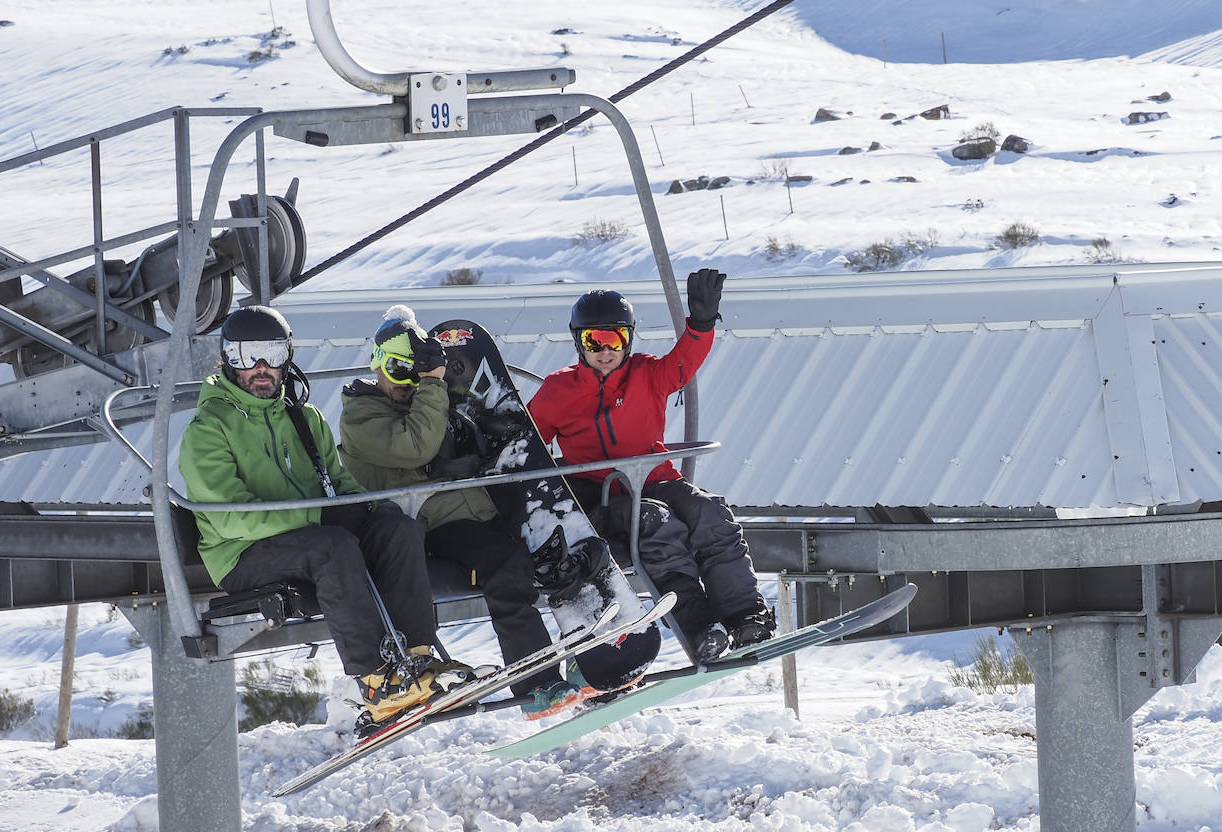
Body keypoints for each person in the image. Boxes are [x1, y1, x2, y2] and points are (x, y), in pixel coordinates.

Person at [178, 305, 479, 729]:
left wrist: (372, 509)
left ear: (288, 357)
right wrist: (316, 516)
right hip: (240, 554)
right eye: (248, 357)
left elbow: (338, 482)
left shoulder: (304, 419)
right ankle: (373, 679)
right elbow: (229, 518)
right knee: (331, 546)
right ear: (227, 360)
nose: (262, 368)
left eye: (273, 355)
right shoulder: (209, 428)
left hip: (304, 536)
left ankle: (417, 659)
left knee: (398, 529)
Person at [337, 306, 586, 720]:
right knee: (505, 566)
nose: (407, 383)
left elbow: (448, 440)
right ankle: (536, 682)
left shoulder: (423, 400)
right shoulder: (361, 415)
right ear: (378, 366)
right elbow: (414, 446)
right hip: (427, 525)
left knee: (552, 545)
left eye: (415, 372)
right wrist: (434, 385)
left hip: (469, 508)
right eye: (399, 372)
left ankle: (585, 656)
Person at [527, 270, 776, 662]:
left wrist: (701, 323)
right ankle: (700, 626)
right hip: (604, 497)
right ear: (579, 341)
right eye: (594, 340)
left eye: (615, 339)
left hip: (657, 478)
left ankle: (746, 616)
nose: (605, 350)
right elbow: (530, 446)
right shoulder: (559, 390)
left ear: (628, 339)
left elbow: (684, 362)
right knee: (657, 524)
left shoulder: (647, 374)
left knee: (711, 513)